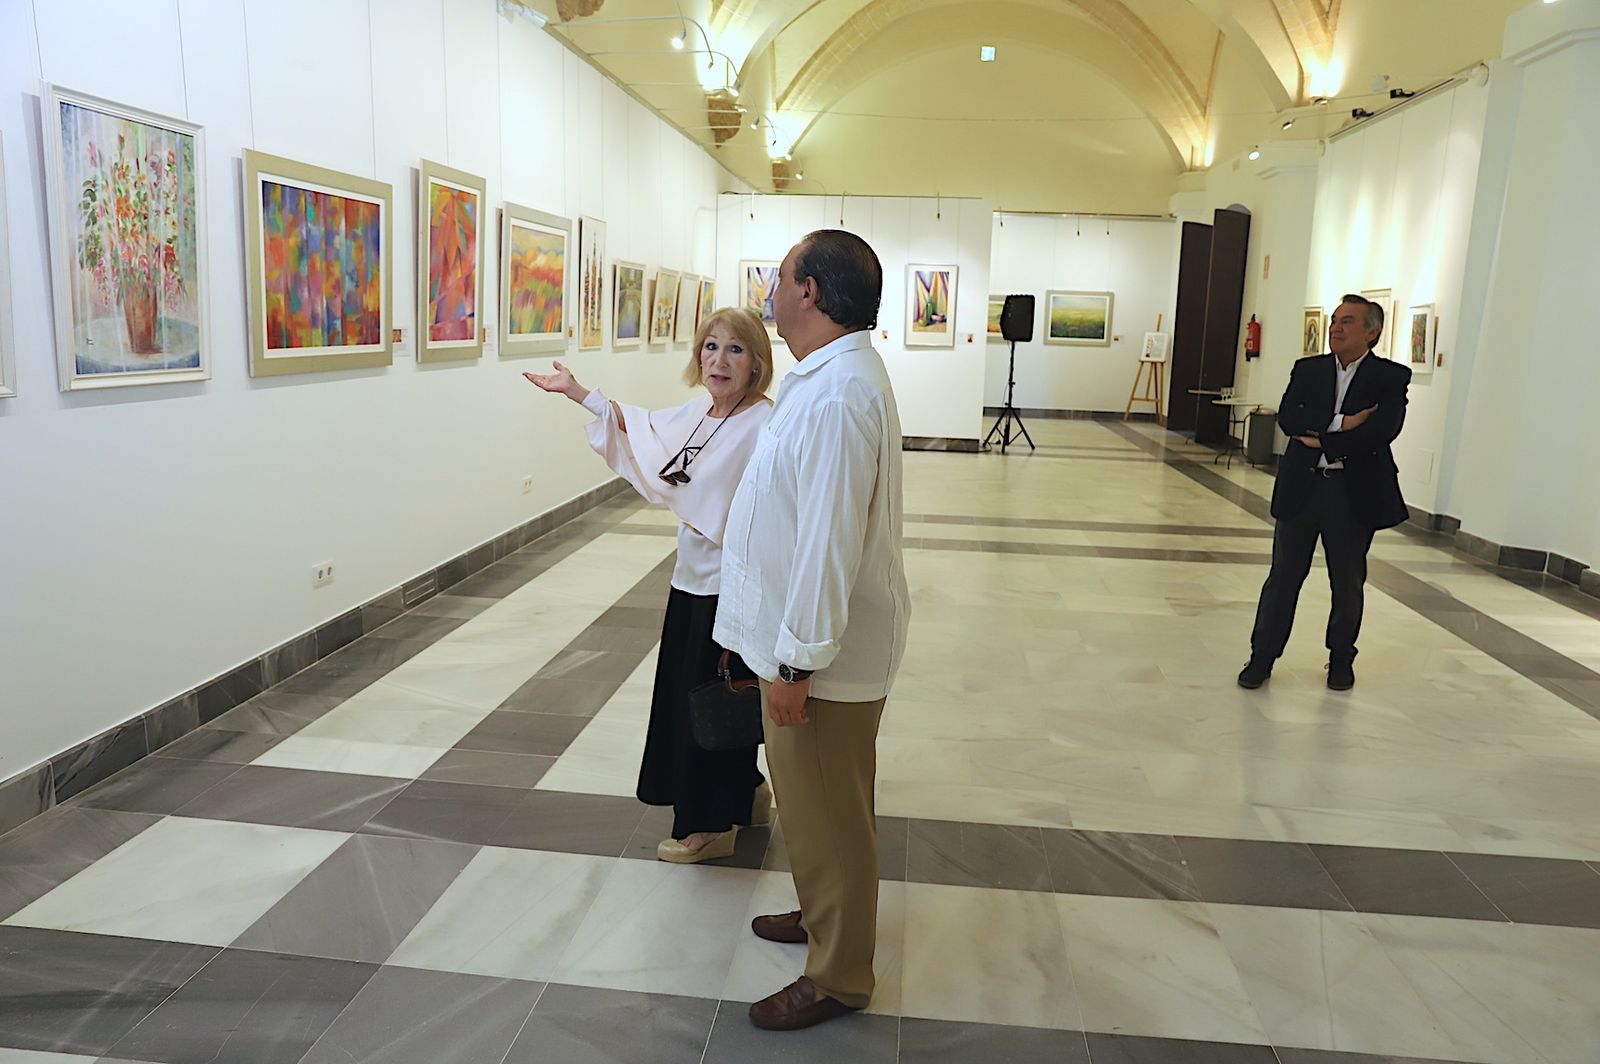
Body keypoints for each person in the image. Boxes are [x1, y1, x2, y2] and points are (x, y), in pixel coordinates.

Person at [713, 231, 911, 1032]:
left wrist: (795, 664)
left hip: (819, 656)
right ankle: (821, 908)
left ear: (812, 293)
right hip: (802, 643)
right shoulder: (825, 378)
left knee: (831, 811)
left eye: (782, 272)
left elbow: (829, 542)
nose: (772, 283)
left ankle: (839, 975)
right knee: (817, 802)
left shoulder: (836, 395)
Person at [524, 306, 775, 863]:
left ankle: (710, 823)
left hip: (730, 584)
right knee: (702, 695)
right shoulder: (700, 413)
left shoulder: (762, 422)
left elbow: (763, 506)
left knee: (714, 697)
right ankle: (748, 792)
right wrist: (576, 392)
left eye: (735, 349)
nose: (719, 360)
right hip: (690, 578)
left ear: (757, 362)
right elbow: (640, 428)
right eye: (711, 347)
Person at [1239, 294, 1411, 692]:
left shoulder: (1390, 377)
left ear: (1372, 331)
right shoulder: (1308, 369)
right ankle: (1262, 656)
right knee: (1283, 578)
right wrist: (1343, 422)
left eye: (1347, 321)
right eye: (1334, 320)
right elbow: (1289, 417)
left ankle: (1340, 659)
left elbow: (1383, 431)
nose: (1335, 327)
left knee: (1346, 581)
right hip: (1303, 488)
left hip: (1352, 494)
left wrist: (1324, 441)